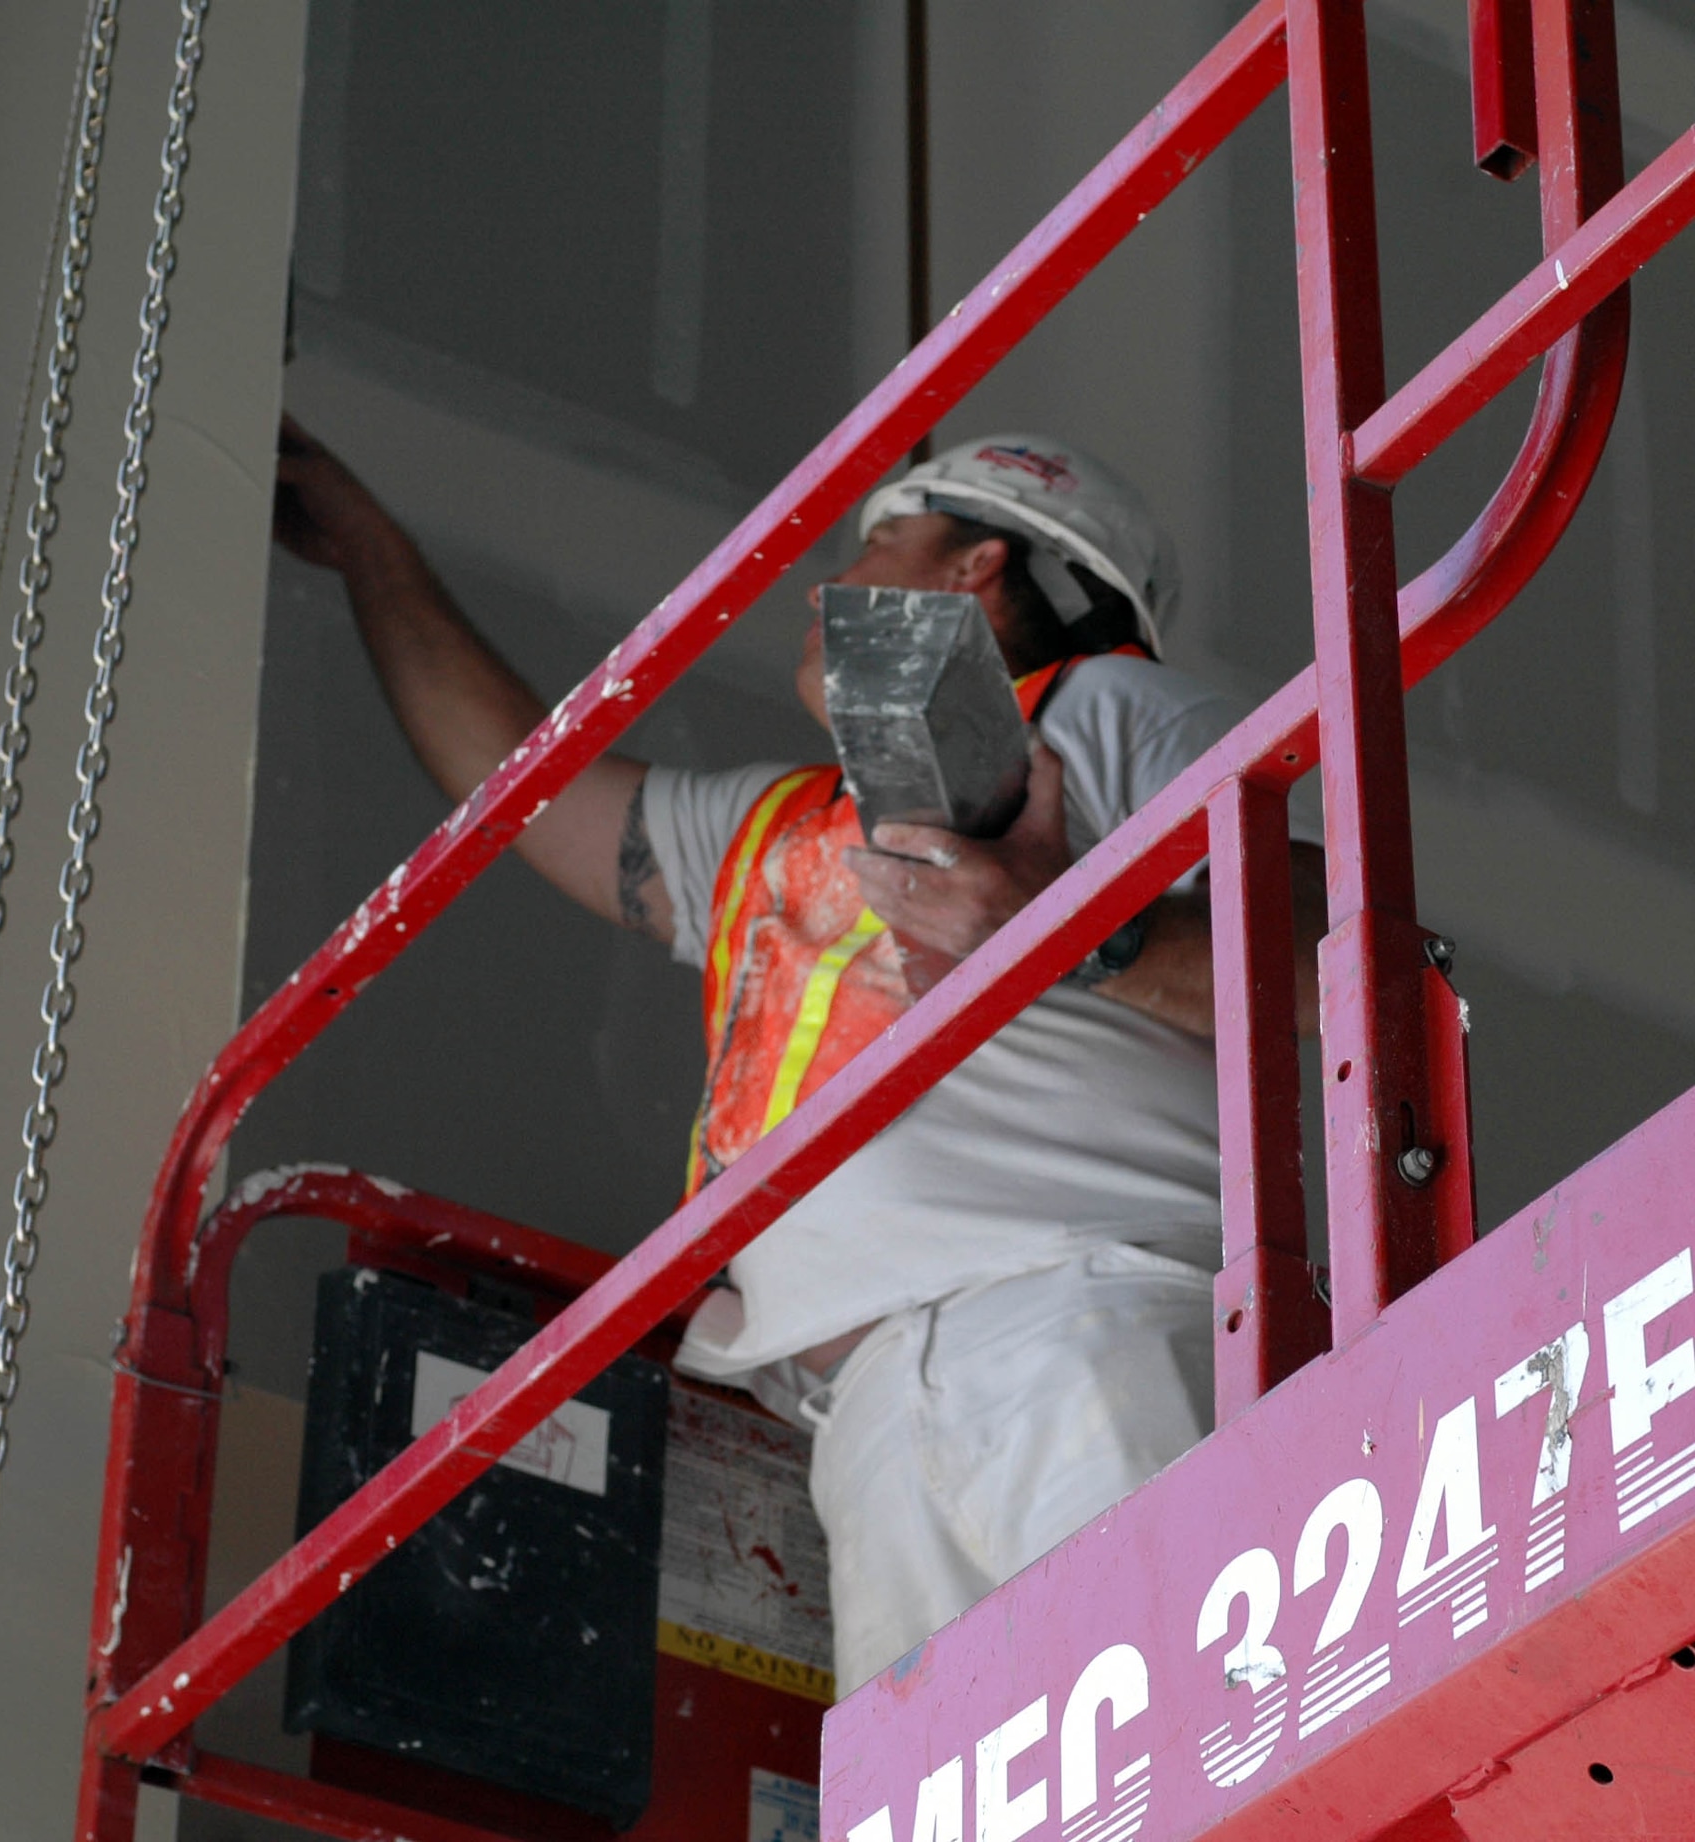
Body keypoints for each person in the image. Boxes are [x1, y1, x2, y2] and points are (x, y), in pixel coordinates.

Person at [274, 421, 1326, 1691]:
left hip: (1076, 1325)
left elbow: (1334, 960)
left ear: (977, 564)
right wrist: (364, 547)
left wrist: (1076, 930)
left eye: (881, 537)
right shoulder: (773, 824)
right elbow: (520, 788)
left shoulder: (1118, 715)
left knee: (1196, 1765)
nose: (829, 585)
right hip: (867, 1421)